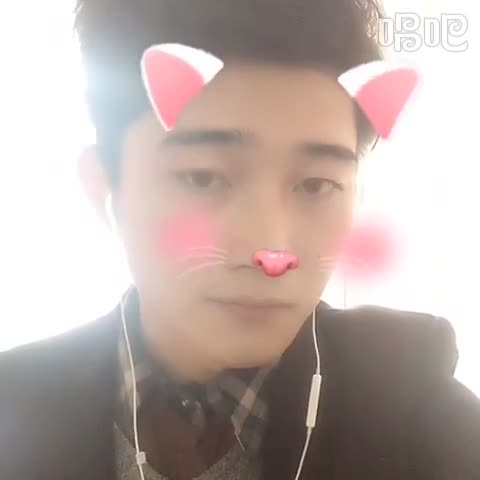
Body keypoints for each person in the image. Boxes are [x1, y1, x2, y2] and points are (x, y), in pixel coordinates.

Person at [1, 1, 479, 479]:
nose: (271, 250)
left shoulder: (421, 422)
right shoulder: (15, 409)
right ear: (105, 188)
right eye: (203, 177)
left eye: (316, 184)